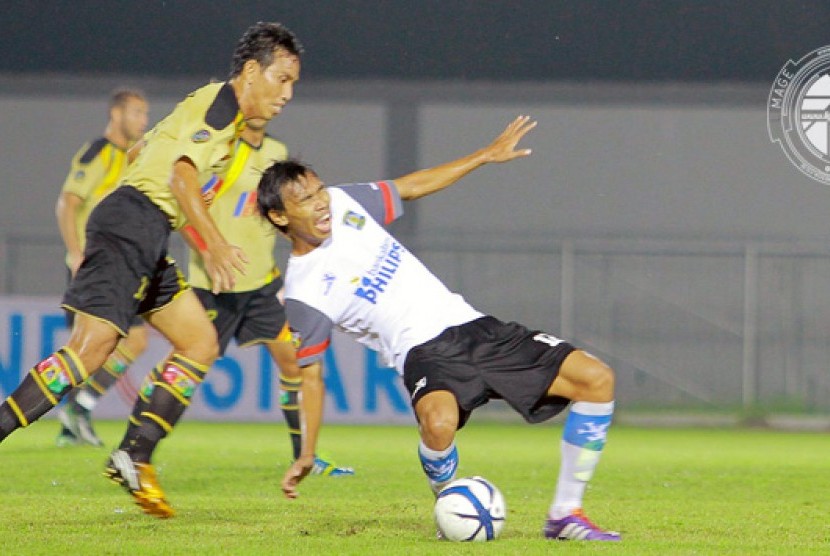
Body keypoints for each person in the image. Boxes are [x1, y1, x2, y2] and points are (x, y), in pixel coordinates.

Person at [259, 115, 621, 541]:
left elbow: (410, 186)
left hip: (473, 326)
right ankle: (447, 498)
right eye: (304, 199)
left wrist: (484, 156)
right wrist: (307, 451)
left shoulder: (345, 205)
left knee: (597, 380)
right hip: (422, 352)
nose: (321, 203)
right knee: (439, 424)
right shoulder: (305, 292)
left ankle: (565, 514)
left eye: (319, 189)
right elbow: (312, 376)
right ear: (280, 217)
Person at [0, 21, 302, 519]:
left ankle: (134, 454)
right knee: (88, 352)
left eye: (294, 83)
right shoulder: (221, 106)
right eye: (283, 79)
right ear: (252, 71)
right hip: (132, 222)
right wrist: (214, 245)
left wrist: (183, 218)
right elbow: (180, 179)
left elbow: (147, 155)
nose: (288, 93)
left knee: (200, 343)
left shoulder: (211, 118)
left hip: (146, 228)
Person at [123, 122, 353, 476]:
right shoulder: (215, 151)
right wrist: (206, 250)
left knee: (294, 364)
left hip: (261, 285)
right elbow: (180, 201)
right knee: (183, 366)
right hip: (215, 286)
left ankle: (305, 458)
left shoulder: (276, 153)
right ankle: (134, 446)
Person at [54, 88, 150, 447]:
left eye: (145, 113)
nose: (144, 120)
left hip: (121, 267)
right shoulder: (98, 153)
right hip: (92, 267)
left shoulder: (134, 158)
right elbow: (67, 202)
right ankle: (69, 414)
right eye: (138, 113)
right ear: (117, 114)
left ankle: (77, 409)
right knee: (87, 349)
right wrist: (76, 253)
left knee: (133, 342)